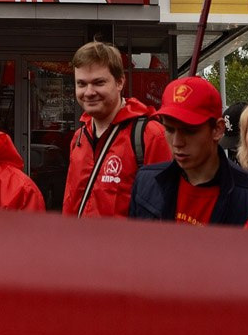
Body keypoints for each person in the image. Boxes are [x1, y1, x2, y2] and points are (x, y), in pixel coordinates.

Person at [129, 76, 248, 226]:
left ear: (217, 130)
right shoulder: (145, 182)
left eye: (189, 131)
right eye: (169, 129)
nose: (177, 142)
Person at [62, 41, 171, 217]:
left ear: (120, 82)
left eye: (98, 82)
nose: (89, 92)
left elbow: (165, 211)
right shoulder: (79, 138)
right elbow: (70, 202)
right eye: (81, 84)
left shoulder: (150, 136)